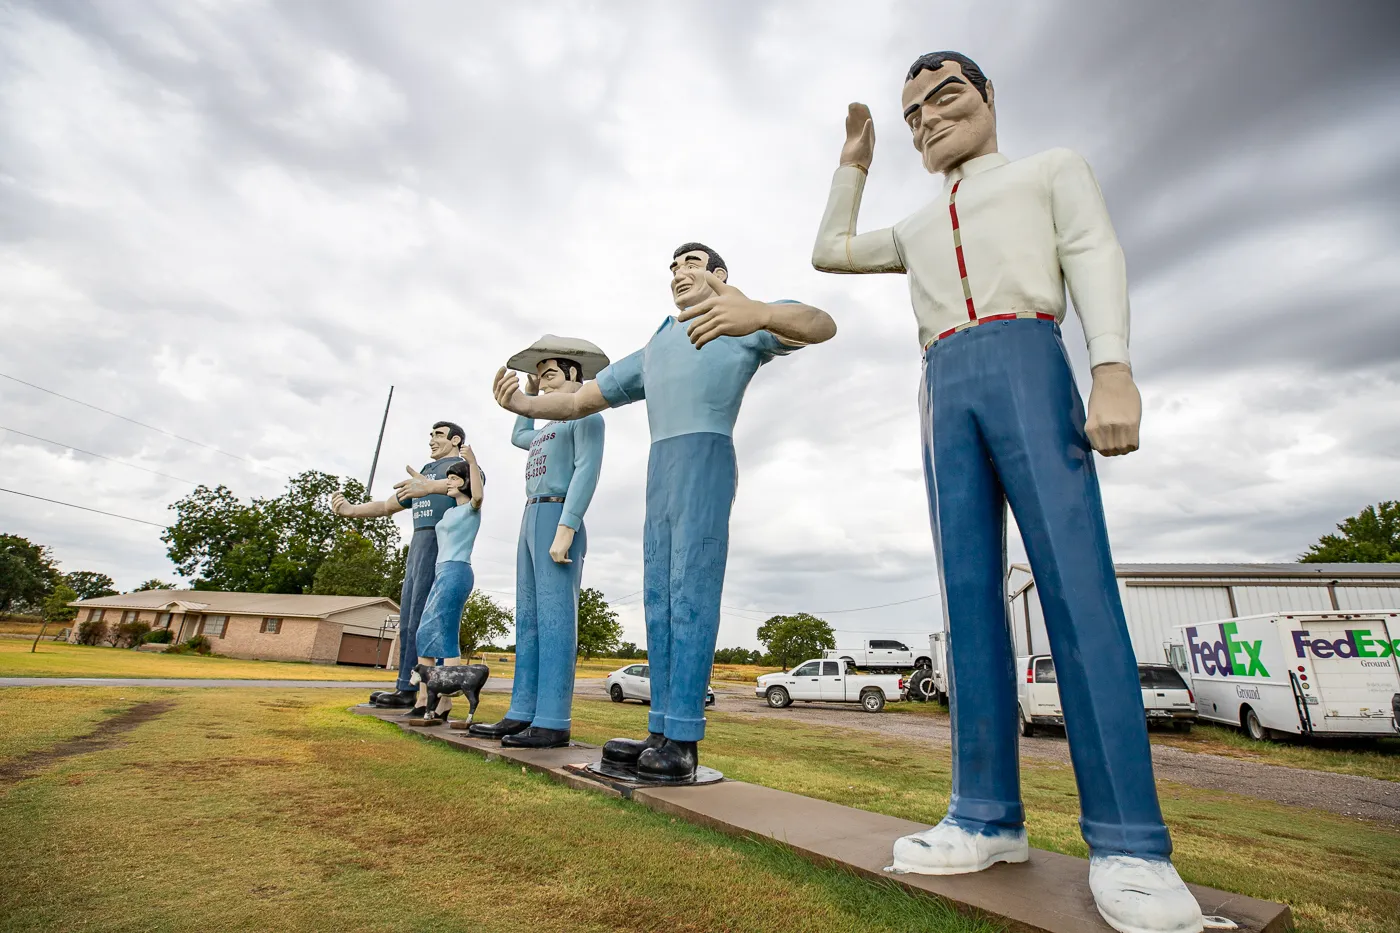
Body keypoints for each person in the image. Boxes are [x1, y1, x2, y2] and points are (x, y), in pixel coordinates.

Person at [810, 51, 1201, 933]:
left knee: (1076, 585)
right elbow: (829, 250)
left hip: (1028, 354)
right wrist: (854, 164)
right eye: (913, 112)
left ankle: (1131, 842)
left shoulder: (1048, 170)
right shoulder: (916, 223)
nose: (928, 118)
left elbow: (1094, 248)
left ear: (989, 98)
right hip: (941, 377)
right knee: (967, 601)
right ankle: (983, 814)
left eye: (944, 97)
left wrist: (1112, 368)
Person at [492, 243, 835, 782]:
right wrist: (525, 406)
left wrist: (761, 313)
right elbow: (581, 399)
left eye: (693, 262)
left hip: (705, 454)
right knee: (659, 596)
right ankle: (660, 727)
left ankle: (684, 738)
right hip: (660, 467)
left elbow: (822, 323)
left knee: (692, 592)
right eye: (674, 265)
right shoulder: (656, 345)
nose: (680, 271)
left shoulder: (741, 319)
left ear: (720, 275)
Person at [470, 337, 608, 749]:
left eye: (549, 374)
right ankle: (521, 711)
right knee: (528, 621)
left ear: (573, 374)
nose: (542, 381)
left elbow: (587, 470)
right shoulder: (548, 428)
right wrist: (527, 394)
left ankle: (552, 718)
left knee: (554, 620)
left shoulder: (586, 415)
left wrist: (568, 525)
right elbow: (519, 436)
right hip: (531, 512)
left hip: (558, 511)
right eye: (539, 376)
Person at [331, 422, 465, 714]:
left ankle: (433, 691)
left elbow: (467, 486)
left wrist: (429, 487)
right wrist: (350, 510)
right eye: (430, 434)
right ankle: (406, 685)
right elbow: (387, 506)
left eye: (438, 435)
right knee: (408, 619)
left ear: (455, 440)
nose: (431, 439)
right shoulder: (425, 471)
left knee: (432, 621)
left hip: (441, 542)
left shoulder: (459, 465)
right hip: (418, 543)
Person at [407, 454, 484, 724]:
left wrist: (472, 462)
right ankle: (423, 698)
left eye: (453, 479)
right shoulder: (449, 511)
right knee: (425, 632)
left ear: (465, 482)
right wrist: (425, 483)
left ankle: (446, 700)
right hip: (441, 571)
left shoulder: (472, 508)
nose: (447, 483)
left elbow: (477, 494)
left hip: (457, 570)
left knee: (447, 633)